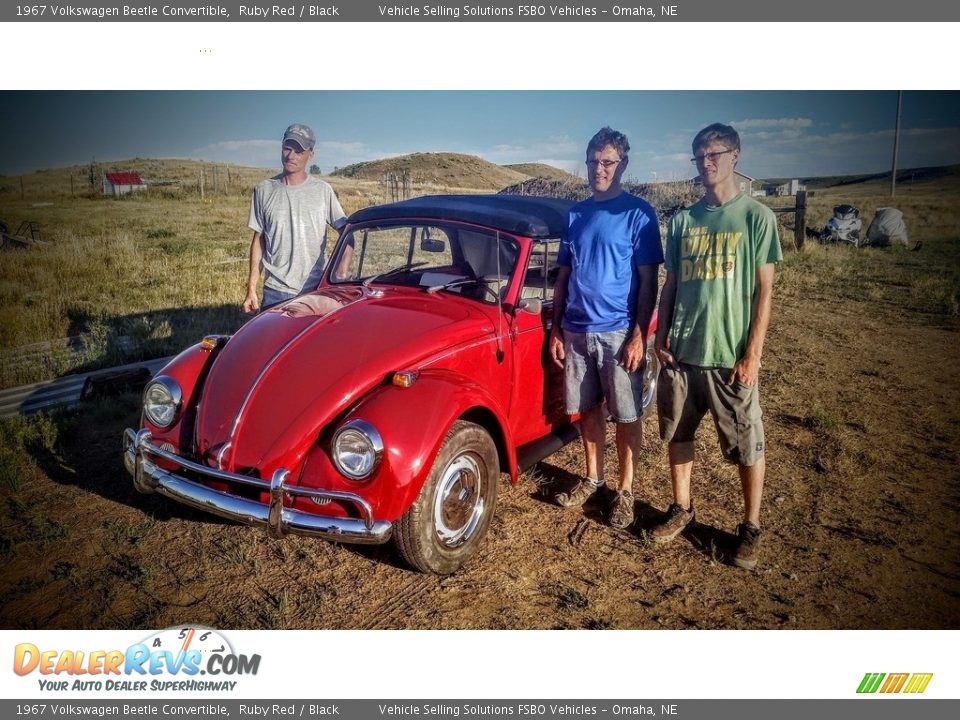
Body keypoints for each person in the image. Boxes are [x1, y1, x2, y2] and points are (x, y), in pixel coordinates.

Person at [651, 123, 782, 570]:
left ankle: (750, 527)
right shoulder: (683, 222)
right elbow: (670, 285)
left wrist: (753, 354)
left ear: (735, 157)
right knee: (678, 435)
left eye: (714, 155)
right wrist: (659, 334)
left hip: (730, 357)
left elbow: (764, 290)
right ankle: (681, 508)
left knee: (747, 445)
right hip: (684, 352)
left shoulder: (757, 218)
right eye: (699, 157)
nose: (706, 164)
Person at [548, 127, 663, 529]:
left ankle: (625, 490)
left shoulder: (638, 214)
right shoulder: (576, 214)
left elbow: (649, 280)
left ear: (623, 165)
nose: (600, 169)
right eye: (594, 161)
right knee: (588, 411)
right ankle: (593, 478)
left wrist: (638, 335)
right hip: (577, 330)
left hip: (618, 331)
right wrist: (557, 328)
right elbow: (564, 275)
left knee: (627, 415)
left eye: (608, 162)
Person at [243, 123, 347, 313]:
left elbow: (347, 234)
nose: (290, 156)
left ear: (311, 155)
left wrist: (339, 275)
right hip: (275, 291)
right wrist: (251, 288)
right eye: (287, 148)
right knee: (273, 342)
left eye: (298, 151)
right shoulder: (263, 190)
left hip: (314, 291)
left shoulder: (322, 190)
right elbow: (258, 241)